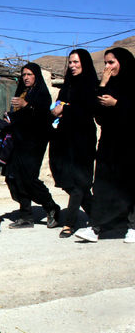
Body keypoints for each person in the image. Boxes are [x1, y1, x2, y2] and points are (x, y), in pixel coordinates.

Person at [75, 47, 135, 243]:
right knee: (102, 184)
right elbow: (98, 116)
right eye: (105, 63)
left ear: (122, 62)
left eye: (112, 62)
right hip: (109, 142)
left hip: (130, 143)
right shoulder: (108, 85)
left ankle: (133, 226)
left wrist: (117, 104)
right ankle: (96, 227)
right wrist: (102, 84)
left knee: (129, 184)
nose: (107, 67)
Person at [3, 62, 61, 229]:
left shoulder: (42, 93)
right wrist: (10, 117)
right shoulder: (22, 92)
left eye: (29, 74)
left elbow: (43, 117)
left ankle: (51, 207)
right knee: (14, 178)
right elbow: (19, 116)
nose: (26, 77)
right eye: (24, 75)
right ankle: (26, 215)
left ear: (36, 76)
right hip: (19, 141)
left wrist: (26, 105)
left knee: (29, 179)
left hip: (35, 143)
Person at [49, 49, 99, 238]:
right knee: (71, 181)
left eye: (76, 62)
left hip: (82, 138)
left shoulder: (91, 84)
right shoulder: (67, 85)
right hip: (64, 138)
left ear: (84, 63)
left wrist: (65, 109)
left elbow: (88, 109)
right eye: (70, 62)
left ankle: (69, 223)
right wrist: (56, 110)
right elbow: (58, 104)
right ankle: (98, 216)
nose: (72, 65)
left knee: (80, 181)